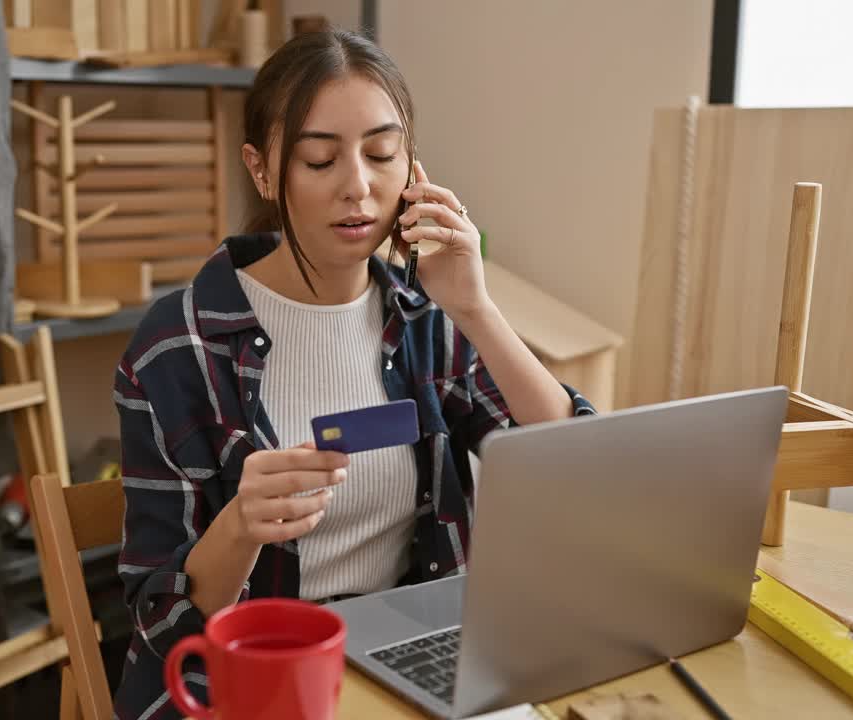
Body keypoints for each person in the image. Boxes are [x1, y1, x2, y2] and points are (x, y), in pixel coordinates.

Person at [112, 29, 596, 719]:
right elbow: (162, 621)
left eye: (380, 154)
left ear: (412, 168)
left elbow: (572, 465)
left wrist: (476, 308)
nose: (359, 187)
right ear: (261, 170)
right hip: (242, 681)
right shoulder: (177, 345)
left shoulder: (426, 316)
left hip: (406, 656)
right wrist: (241, 528)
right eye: (319, 160)